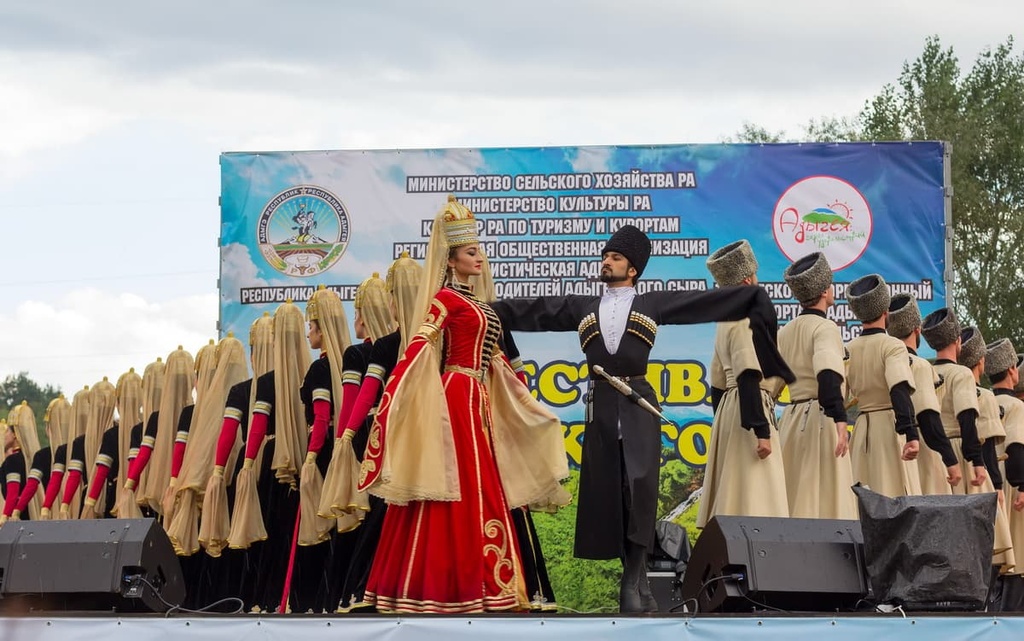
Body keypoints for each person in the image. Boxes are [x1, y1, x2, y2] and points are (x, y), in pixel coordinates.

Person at [490, 223, 790, 613]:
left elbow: (697, 302)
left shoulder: (651, 304)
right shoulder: (583, 307)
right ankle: (637, 583)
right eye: (605, 256)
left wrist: (750, 296)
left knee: (640, 495)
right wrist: (481, 305)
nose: (606, 262)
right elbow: (531, 310)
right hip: (600, 409)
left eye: (614, 258)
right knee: (610, 497)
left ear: (632, 269)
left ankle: (633, 580)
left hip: (639, 406)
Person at [354, 195, 569, 613]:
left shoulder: (481, 304)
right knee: (460, 484)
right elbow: (420, 345)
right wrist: (396, 394)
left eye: (479, 251)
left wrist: (527, 404)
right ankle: (451, 587)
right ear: (451, 260)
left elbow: (497, 360)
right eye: (471, 252)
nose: (480, 258)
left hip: (479, 399)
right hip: (456, 396)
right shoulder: (445, 300)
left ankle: (483, 583)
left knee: (481, 483)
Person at [697, 240, 788, 529]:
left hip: (730, 410)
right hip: (750, 409)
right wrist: (761, 430)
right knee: (756, 497)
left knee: (735, 495)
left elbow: (717, 382)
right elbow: (748, 373)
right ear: (748, 280)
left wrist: (723, 423)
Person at [226, 301, 308, 612]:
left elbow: (255, 428)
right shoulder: (310, 373)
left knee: (270, 531)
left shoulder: (258, 385)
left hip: (270, 460)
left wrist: (246, 465)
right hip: (306, 457)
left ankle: (268, 597)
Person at [776, 252, 856, 519]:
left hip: (790, 420)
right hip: (820, 419)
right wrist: (840, 419)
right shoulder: (825, 327)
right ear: (823, 291)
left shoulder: (785, 332)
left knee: (794, 499)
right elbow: (828, 373)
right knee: (826, 504)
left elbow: (771, 385)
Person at [843, 274, 921, 498]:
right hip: (889, 429)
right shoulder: (893, 346)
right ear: (886, 310)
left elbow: (840, 396)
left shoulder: (849, 348)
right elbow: (899, 388)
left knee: (862, 499)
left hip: (861, 430)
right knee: (895, 496)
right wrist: (911, 433)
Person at [886, 294, 961, 494]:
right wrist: (950, 459)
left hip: (880, 443)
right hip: (918, 450)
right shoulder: (919, 365)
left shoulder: (883, 358)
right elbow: (928, 416)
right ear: (917, 329)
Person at [958, 327, 1014, 574]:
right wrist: (998, 485)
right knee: (985, 541)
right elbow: (988, 445)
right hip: (977, 469)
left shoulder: (944, 379)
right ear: (981, 361)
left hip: (947, 466)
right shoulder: (984, 395)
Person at [920, 308, 988, 490]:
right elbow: (966, 418)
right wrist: (977, 460)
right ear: (958, 340)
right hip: (957, 452)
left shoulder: (926, 371)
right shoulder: (962, 373)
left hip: (930, 452)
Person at [986, 337, 1024, 609]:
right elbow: (1016, 447)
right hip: (1011, 482)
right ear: (1012, 370)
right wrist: (1022, 485)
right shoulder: (1017, 407)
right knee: (1017, 555)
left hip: (988, 478)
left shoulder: (984, 399)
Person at [12, 395, 70, 521]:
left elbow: (32, 485)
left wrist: (17, 511)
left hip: (52, 513)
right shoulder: (78, 448)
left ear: (50, 428)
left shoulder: (42, 456)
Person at [1, 406, 42, 525]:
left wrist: (5, 516)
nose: (4, 435)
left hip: (17, 517)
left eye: (7, 431)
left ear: (15, 435)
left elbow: (13, 494)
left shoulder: (13, 460)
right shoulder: (31, 458)